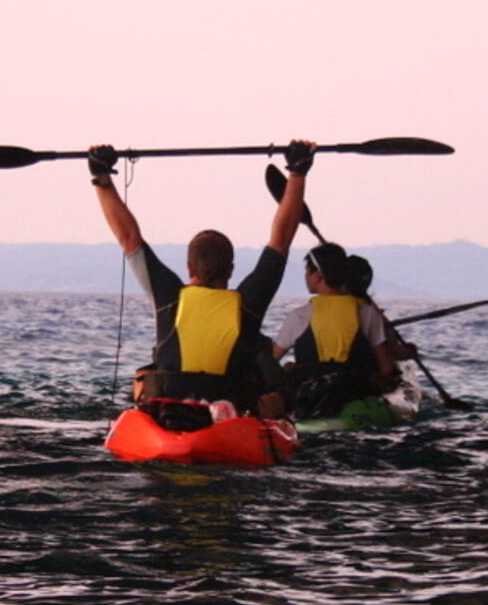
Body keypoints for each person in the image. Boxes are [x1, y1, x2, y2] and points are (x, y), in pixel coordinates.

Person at [90, 141, 315, 430]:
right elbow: (281, 239)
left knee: (145, 377)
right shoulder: (248, 302)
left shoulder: (169, 296)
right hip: (229, 413)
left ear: (189, 268)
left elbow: (129, 238)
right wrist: (298, 173)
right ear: (231, 270)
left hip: (170, 411)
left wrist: (101, 179)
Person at [272, 242, 399, 421]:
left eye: (307, 271)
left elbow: (272, 360)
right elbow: (386, 366)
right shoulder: (369, 313)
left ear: (318, 276)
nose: (306, 277)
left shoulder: (299, 316)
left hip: (309, 397)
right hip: (355, 391)